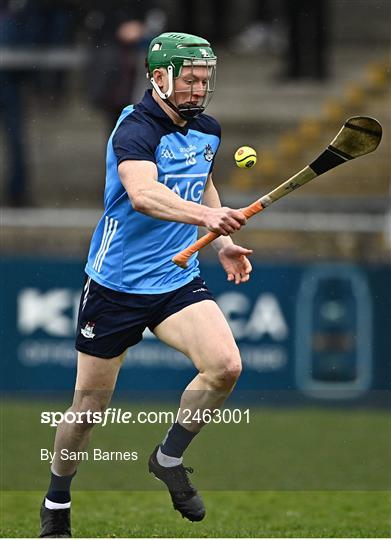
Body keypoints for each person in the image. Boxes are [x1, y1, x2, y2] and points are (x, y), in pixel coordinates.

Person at [39, 32, 253, 537]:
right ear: (159, 78)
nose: (200, 90)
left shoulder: (208, 130)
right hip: (115, 285)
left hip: (176, 277)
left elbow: (199, 178)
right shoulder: (133, 132)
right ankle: (56, 501)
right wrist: (209, 216)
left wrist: (218, 241)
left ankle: (167, 457)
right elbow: (143, 193)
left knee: (225, 367)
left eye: (205, 80)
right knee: (88, 408)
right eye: (190, 80)